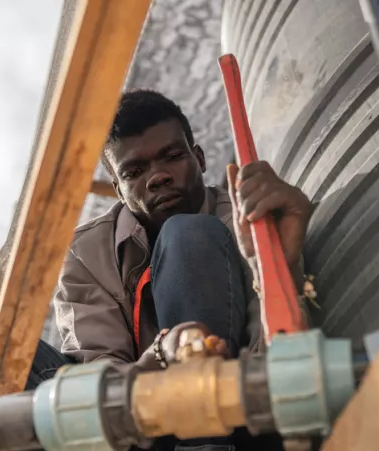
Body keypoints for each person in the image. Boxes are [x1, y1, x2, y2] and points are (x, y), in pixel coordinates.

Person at [29, 89, 314, 450]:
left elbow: (280, 367)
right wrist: (162, 356)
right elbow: (98, 376)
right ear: (118, 189)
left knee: (187, 233)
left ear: (199, 158)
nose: (158, 177)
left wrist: (275, 268)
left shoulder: (251, 215)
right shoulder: (87, 254)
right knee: (12, 361)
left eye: (172, 156)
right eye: (134, 171)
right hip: (142, 427)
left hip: (245, 416)